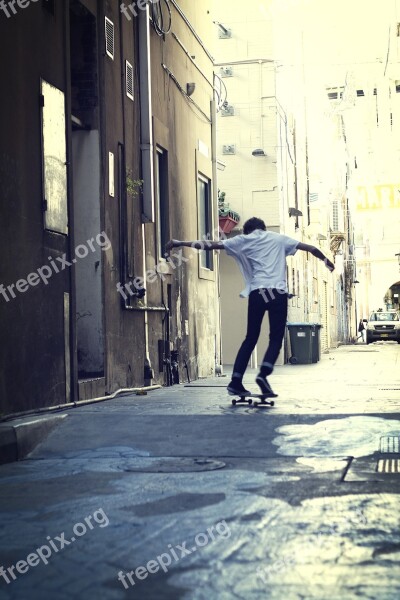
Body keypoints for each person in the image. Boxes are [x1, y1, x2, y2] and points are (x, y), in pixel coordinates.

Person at [166, 217, 334, 397]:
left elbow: (211, 245)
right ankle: (263, 375)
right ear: (262, 227)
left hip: (258, 293)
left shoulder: (243, 240)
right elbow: (312, 248)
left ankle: (236, 381)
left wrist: (179, 243)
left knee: (251, 337)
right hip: (277, 293)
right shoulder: (279, 238)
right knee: (276, 338)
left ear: (248, 230)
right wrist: (326, 261)